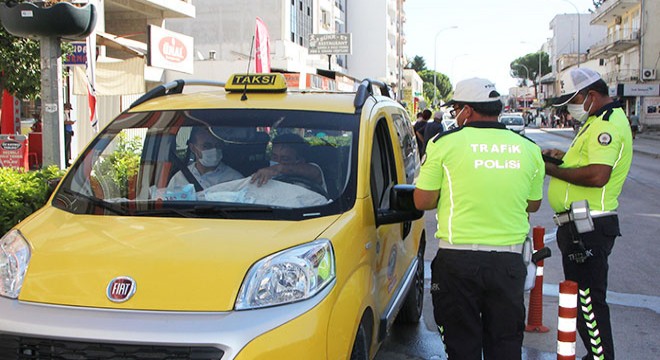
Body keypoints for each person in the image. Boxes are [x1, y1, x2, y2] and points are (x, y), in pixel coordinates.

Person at [413, 77, 545, 360]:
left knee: (462, 347)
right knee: (506, 346)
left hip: (458, 262)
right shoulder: (529, 148)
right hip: (508, 264)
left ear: (467, 111)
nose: (455, 116)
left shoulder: (444, 144)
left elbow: (422, 201)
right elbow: (533, 204)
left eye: (456, 109)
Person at [544, 68, 632, 360]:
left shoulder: (607, 124)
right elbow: (586, 163)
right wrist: (563, 158)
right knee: (585, 302)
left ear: (591, 95)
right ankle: (597, 355)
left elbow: (597, 175)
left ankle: (601, 357)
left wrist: (553, 169)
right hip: (581, 225)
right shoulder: (595, 121)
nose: (571, 107)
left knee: (589, 304)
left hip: (589, 226)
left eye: (574, 99)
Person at [168, 127, 243, 190]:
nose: (214, 150)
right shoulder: (179, 178)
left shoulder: (235, 180)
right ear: (193, 148)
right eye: (207, 146)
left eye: (218, 145)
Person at [250, 133, 327, 193]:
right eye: (274, 157)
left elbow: (314, 172)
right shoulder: (265, 176)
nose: (278, 162)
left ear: (300, 160)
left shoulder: (311, 170)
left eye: (285, 158)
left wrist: (278, 168)